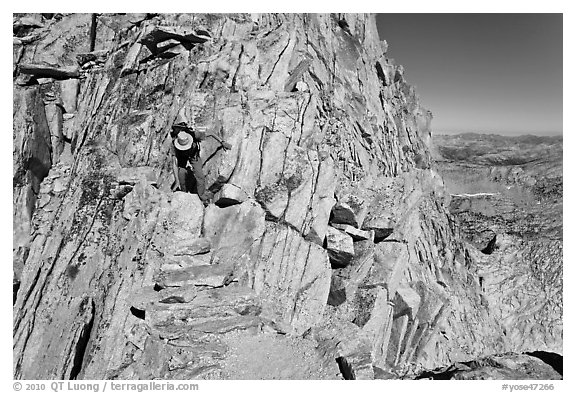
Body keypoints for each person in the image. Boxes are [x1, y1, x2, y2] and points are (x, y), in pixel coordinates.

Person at [171, 118, 231, 203]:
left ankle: (202, 196)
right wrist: (177, 181)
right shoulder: (174, 145)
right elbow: (174, 163)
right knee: (181, 175)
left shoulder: (194, 134)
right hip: (182, 157)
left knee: (200, 176)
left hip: (193, 155)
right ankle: (184, 194)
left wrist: (222, 142)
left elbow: (210, 133)